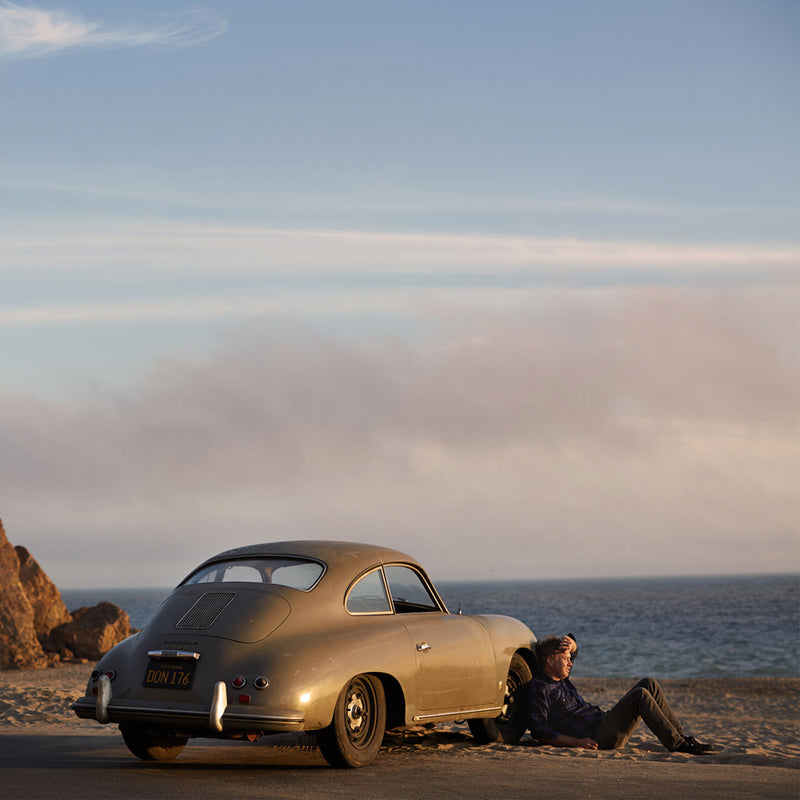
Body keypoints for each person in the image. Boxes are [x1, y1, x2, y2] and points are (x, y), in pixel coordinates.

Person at [528, 634, 713, 755]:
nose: (571, 664)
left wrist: (572, 645)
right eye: (566, 659)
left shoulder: (562, 679)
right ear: (550, 659)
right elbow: (539, 730)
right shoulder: (540, 688)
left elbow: (573, 652)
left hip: (604, 721)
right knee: (640, 695)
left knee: (650, 683)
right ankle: (678, 746)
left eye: (570, 659)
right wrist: (577, 742)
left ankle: (682, 737)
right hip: (598, 736)